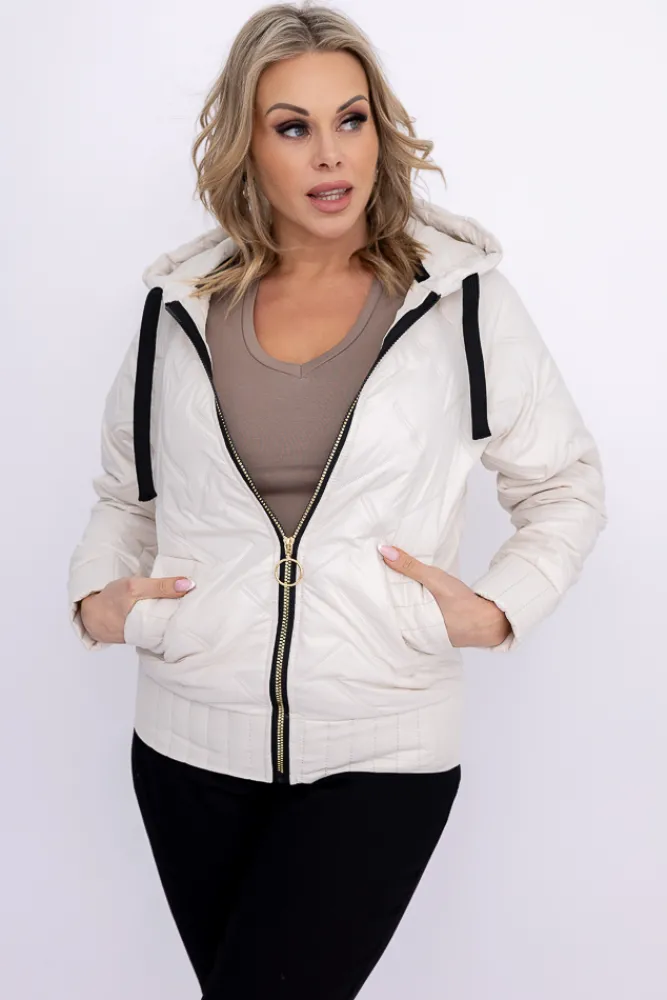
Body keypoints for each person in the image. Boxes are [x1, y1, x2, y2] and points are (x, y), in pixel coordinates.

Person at [66, 3, 607, 997]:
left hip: (384, 744)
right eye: (293, 126)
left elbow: (563, 482)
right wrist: (99, 600)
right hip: (187, 740)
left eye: (351, 119)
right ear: (247, 145)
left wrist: (498, 608)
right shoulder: (180, 307)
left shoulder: (457, 300)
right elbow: (126, 493)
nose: (330, 154)